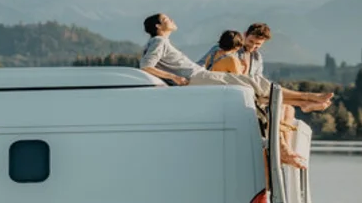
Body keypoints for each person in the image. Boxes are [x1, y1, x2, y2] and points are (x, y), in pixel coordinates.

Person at [139, 13, 331, 167]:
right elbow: (145, 65)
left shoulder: (158, 43)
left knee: (257, 85)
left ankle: (304, 102)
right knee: (255, 83)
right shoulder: (159, 41)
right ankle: (307, 98)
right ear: (158, 26)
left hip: (197, 77)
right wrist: (174, 77)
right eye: (166, 19)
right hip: (197, 78)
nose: (171, 20)